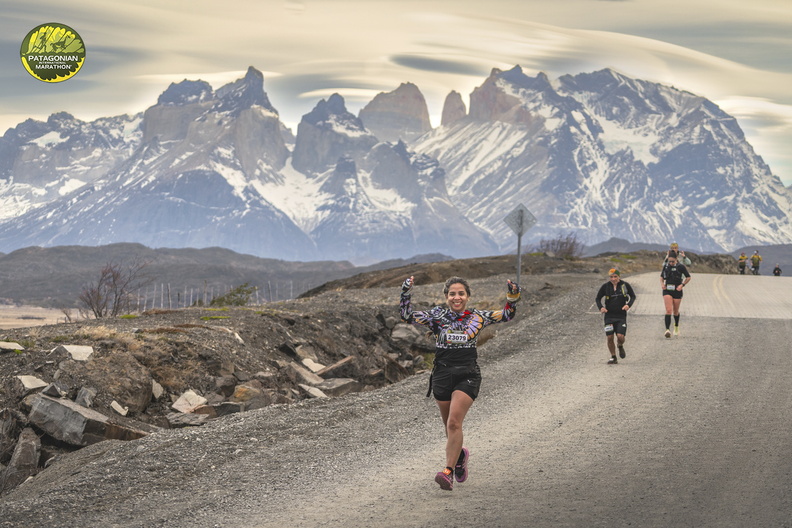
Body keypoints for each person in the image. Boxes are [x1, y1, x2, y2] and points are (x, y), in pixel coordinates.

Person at [400, 275, 521, 491]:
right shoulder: (436, 316)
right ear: (446, 297)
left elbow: (506, 315)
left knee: (454, 423)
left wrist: (512, 296)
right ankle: (460, 456)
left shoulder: (478, 316)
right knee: (449, 426)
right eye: (452, 294)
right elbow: (407, 316)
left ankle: (447, 472)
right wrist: (405, 292)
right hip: (442, 375)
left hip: (467, 374)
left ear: (467, 296)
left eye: (461, 294)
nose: (457, 297)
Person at [595, 268, 636, 364]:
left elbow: (633, 296)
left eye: (615, 277)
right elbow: (598, 298)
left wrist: (628, 305)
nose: (613, 279)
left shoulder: (625, 285)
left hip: (621, 316)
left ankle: (620, 345)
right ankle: (613, 357)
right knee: (609, 337)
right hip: (609, 316)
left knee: (620, 337)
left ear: (619, 277)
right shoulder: (605, 286)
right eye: (611, 277)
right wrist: (601, 307)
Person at [661, 251, 691, 338]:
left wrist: (682, 285)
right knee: (668, 310)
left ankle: (676, 326)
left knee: (675, 311)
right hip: (667, 290)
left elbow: (688, 277)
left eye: (672, 261)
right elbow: (661, 277)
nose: (671, 263)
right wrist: (662, 284)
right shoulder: (666, 266)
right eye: (669, 261)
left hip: (677, 290)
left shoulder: (681, 267)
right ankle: (667, 330)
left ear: (676, 259)